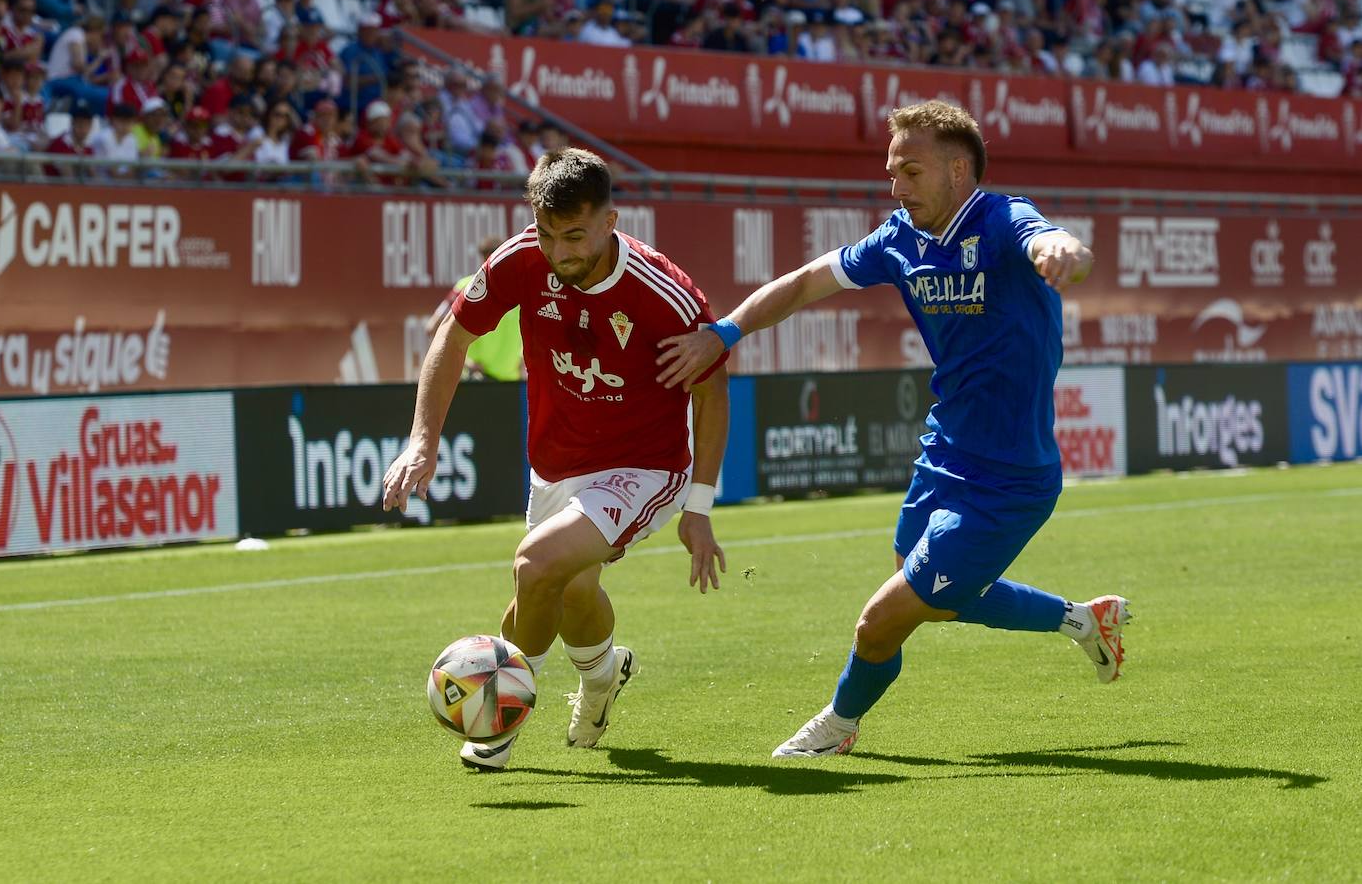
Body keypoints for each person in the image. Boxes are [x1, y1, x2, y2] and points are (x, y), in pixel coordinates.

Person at [655, 101, 1130, 759]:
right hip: (946, 453)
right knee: (935, 597)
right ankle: (1084, 619)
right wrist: (726, 331)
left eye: (910, 170)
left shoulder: (1000, 220)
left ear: (958, 170)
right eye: (891, 172)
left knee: (879, 624)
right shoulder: (897, 241)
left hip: (1011, 479)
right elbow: (802, 284)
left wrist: (1061, 250)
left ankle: (838, 727)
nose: (896, 186)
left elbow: (1051, 241)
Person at [382, 148, 730, 771]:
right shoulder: (520, 260)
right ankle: (602, 678)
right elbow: (454, 337)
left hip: (644, 467)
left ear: (610, 221)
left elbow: (710, 392)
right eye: (547, 234)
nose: (560, 251)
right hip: (554, 463)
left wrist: (698, 506)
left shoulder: (662, 292)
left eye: (575, 235)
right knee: (569, 589)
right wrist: (422, 441)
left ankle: (497, 719)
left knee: (535, 565)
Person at [424, 236, 523, 382]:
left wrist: (467, 363)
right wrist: (468, 364)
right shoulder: (519, 291)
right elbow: (432, 328)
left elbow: (432, 327)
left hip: (492, 383)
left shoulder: (468, 285)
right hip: (493, 382)